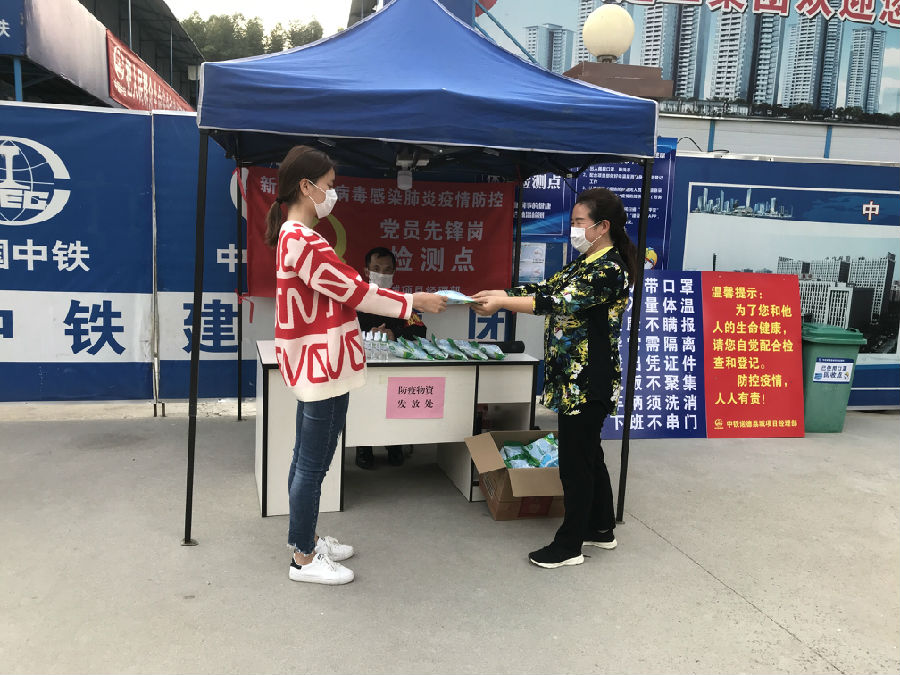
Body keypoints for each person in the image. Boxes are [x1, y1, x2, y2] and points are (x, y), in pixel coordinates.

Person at [265, 146, 447, 585]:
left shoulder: (298, 237)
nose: (333, 194)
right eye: (329, 186)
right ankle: (304, 558)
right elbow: (355, 291)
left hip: (320, 362)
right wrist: (411, 302)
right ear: (306, 187)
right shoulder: (302, 239)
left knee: (307, 460)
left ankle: (305, 539)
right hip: (322, 365)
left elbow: (348, 288)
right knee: (312, 464)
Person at [472, 187, 638, 569]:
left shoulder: (609, 269)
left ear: (602, 226)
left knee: (576, 463)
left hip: (588, 379)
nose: (573, 229)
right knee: (589, 454)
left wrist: (502, 303)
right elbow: (545, 288)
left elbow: (557, 301)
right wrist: (500, 293)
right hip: (572, 377)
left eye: (579, 222)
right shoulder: (586, 262)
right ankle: (601, 528)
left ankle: (569, 545)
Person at [355, 246, 427, 469]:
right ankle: (363, 447)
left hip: (395, 367)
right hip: (363, 368)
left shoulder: (401, 302)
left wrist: (393, 334)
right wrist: (365, 334)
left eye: (387, 270)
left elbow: (420, 331)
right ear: (366, 271)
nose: (381, 274)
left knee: (395, 406)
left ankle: (394, 445)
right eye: (376, 268)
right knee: (365, 405)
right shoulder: (355, 300)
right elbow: (339, 329)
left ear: (394, 273)